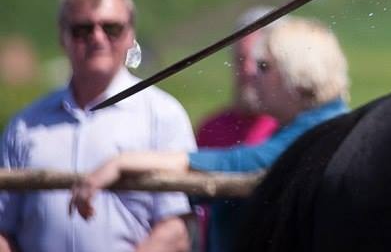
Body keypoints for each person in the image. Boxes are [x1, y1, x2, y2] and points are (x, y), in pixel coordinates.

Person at [70, 17, 350, 252]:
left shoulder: (315, 131)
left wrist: (121, 161)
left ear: (296, 73)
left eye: (265, 66)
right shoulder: (325, 121)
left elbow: (237, 164)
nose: (253, 75)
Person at [0, 0, 195, 252]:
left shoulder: (164, 116)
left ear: (130, 35)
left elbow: (177, 229)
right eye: (83, 29)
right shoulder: (25, 125)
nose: (98, 37)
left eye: (111, 28)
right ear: (62, 37)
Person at [192, 7, 279, 251]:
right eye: (242, 59)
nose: (249, 70)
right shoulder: (210, 129)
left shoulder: (291, 128)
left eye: (261, 63)